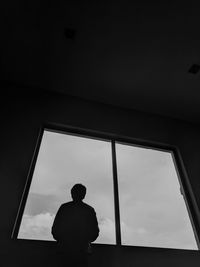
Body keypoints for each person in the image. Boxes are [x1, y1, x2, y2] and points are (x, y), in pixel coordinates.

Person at [52, 183, 99, 267]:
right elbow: (95, 232)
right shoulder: (89, 210)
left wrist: (62, 240)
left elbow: (55, 228)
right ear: (84, 195)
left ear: (71, 193)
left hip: (64, 249)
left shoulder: (64, 208)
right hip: (82, 251)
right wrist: (85, 241)